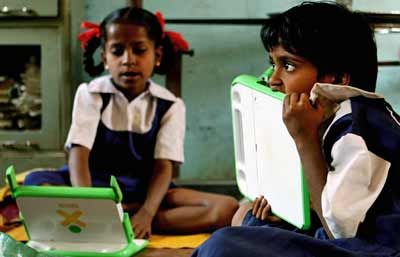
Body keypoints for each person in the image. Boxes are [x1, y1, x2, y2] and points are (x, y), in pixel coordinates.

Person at [192, 2, 400, 256]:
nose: (273, 79)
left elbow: (340, 232)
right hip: (346, 235)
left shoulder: (356, 131)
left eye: (288, 65)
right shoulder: (333, 115)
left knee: (221, 245)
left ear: (335, 77)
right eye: (273, 63)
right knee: (245, 214)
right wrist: (286, 211)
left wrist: (304, 139)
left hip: (379, 248)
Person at [24, 7, 238, 239]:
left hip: (143, 191)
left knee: (226, 207)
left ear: (157, 56)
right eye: (117, 51)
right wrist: (89, 204)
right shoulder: (91, 93)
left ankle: (129, 218)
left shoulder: (170, 105)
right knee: (34, 182)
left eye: (139, 50)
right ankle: (111, 216)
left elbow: (163, 167)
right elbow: (79, 154)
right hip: (91, 185)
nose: (128, 60)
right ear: (105, 58)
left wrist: (146, 211)